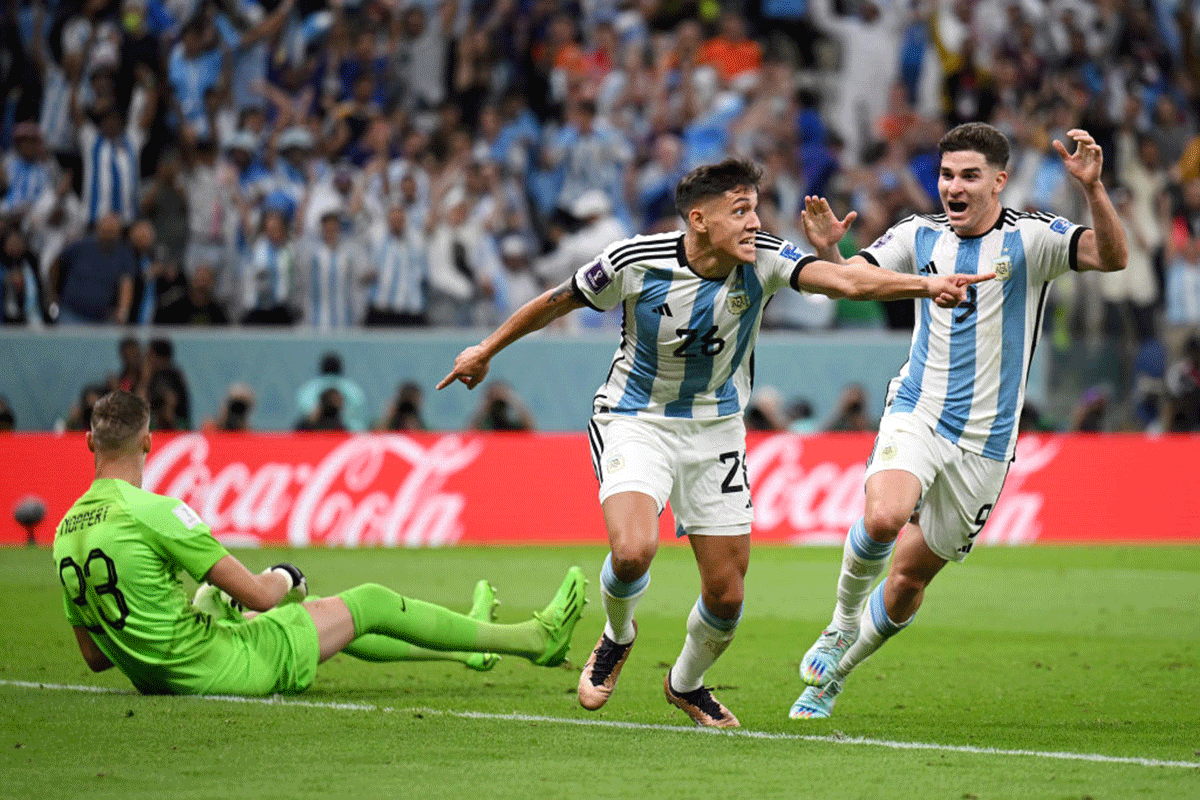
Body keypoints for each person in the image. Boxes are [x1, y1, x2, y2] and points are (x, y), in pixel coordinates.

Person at [439, 158, 987, 728]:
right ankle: (617, 634)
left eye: (755, 208)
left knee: (726, 596)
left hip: (716, 428)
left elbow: (847, 279)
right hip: (637, 417)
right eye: (740, 211)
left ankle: (687, 683)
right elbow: (558, 300)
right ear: (699, 220)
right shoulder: (634, 261)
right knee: (632, 552)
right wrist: (485, 349)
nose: (755, 222)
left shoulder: (766, 259)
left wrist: (925, 285)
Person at [789, 123, 1127, 720]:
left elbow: (1112, 256)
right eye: (947, 175)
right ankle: (839, 626)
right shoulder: (918, 234)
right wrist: (829, 255)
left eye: (969, 175)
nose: (954, 186)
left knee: (906, 583)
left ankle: (832, 677)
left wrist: (1094, 192)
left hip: (987, 444)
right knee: (885, 515)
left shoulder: (1034, 239)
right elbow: (851, 283)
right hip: (917, 410)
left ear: (999, 180)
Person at [53, 390, 587, 697]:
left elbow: (94, 658)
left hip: (165, 672)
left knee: (240, 602)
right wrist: (286, 575)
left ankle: (472, 647)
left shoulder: (64, 532)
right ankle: (533, 639)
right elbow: (265, 596)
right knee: (366, 601)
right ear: (148, 441)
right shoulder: (158, 513)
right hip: (223, 669)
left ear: (88, 443)